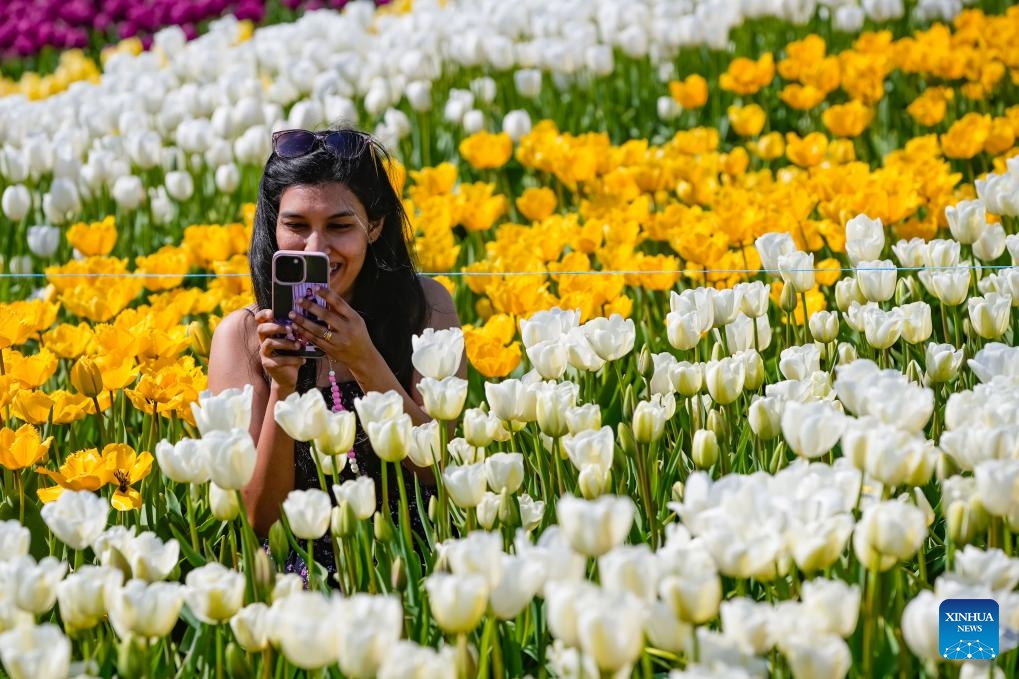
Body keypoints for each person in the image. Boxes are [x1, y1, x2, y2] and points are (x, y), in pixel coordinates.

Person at [207, 128, 464, 579]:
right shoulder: (243, 337)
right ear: (274, 224)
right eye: (297, 226)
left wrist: (365, 359)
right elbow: (258, 519)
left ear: (376, 225)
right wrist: (284, 387)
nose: (315, 249)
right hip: (300, 578)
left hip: (415, 560)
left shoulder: (425, 308)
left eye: (340, 226)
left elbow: (438, 469)